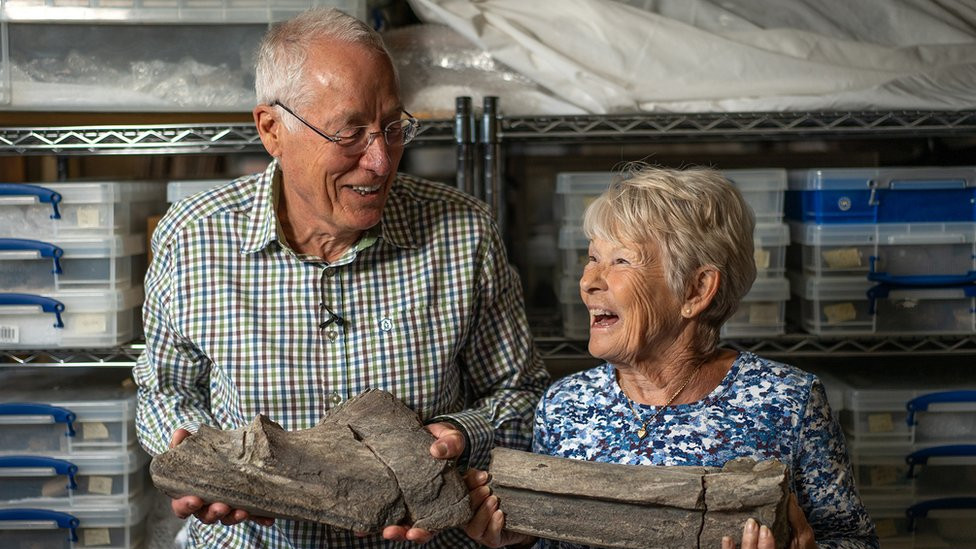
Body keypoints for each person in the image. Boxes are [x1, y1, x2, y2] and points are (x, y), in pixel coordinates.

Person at [132, 7, 550, 548]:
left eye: (394, 128)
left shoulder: (462, 233)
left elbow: (521, 394)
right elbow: (164, 387)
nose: (380, 160)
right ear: (271, 130)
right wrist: (200, 453)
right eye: (350, 132)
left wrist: (460, 436)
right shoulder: (193, 238)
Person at [464, 164, 878, 549]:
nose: (588, 281)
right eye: (592, 258)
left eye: (620, 261)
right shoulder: (565, 405)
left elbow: (853, 539)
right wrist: (516, 539)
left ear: (697, 290)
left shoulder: (788, 403)